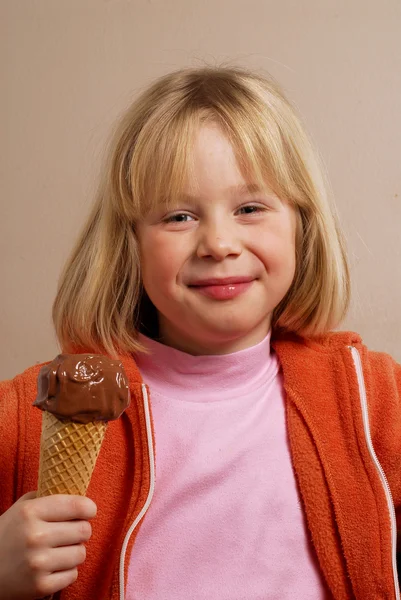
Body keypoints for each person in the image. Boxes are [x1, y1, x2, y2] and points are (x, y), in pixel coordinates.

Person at [0, 66, 400, 600]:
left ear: (301, 224)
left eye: (250, 208)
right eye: (179, 216)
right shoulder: (30, 416)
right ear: (130, 244)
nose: (218, 242)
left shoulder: (372, 398)